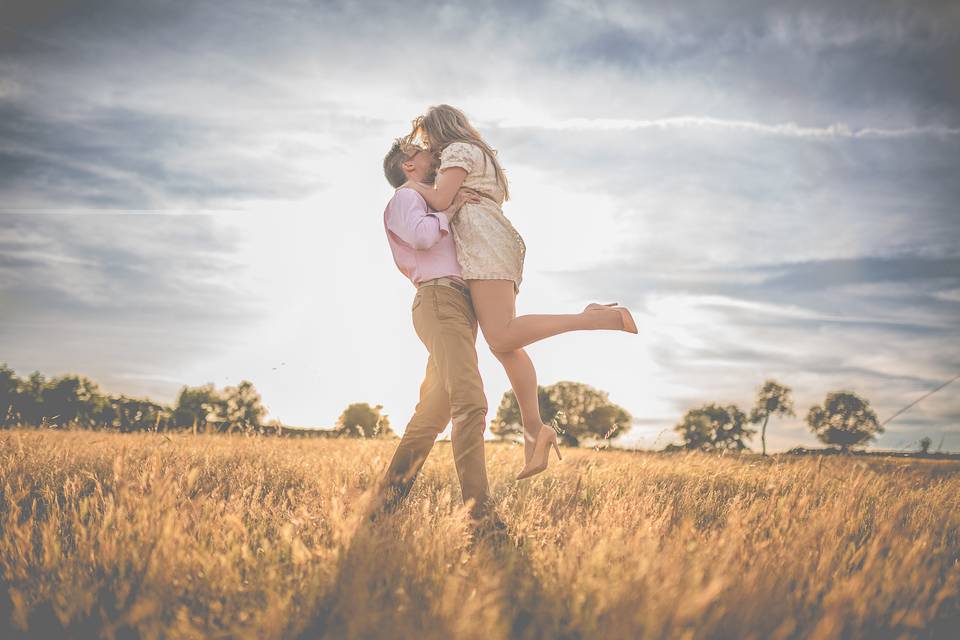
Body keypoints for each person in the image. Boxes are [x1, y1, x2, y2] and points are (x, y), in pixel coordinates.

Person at [401, 105, 638, 479]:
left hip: (485, 244)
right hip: (491, 240)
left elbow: (442, 200)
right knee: (504, 344)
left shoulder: (458, 151)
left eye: (426, 139)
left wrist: (412, 185)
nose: (427, 149)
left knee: (502, 334)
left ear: (438, 132)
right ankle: (534, 430)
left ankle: (592, 317)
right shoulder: (477, 153)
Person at [375, 136, 495, 524]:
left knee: (433, 413)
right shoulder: (406, 197)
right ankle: (481, 519)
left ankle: (382, 508)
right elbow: (425, 237)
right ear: (409, 165)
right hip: (439, 301)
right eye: (424, 152)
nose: (434, 155)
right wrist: (450, 210)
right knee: (471, 401)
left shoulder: (425, 200)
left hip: (454, 305)